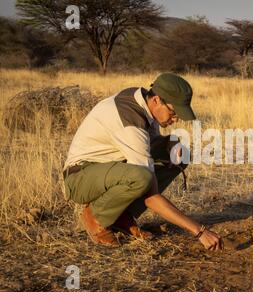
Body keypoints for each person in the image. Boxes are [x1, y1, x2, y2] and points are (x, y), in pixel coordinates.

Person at [63, 73, 222, 251]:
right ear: (156, 100)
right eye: (173, 111)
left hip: (108, 169)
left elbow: (149, 144)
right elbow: (151, 197)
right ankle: (96, 216)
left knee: (178, 155)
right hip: (80, 179)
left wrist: (171, 141)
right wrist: (199, 231)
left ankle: (121, 215)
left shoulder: (141, 102)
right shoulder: (131, 120)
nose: (176, 118)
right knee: (141, 178)